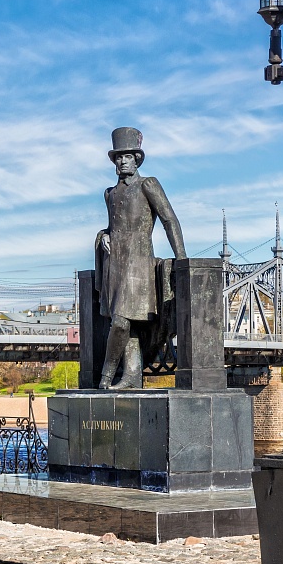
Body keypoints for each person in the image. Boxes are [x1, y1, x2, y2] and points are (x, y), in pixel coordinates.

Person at [94, 127, 186, 389]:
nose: (122, 161)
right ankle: (132, 377)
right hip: (114, 264)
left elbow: (169, 219)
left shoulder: (148, 184)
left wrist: (181, 258)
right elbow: (112, 226)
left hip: (138, 265)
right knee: (127, 324)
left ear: (137, 160)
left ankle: (106, 377)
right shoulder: (110, 193)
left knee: (121, 321)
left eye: (127, 156)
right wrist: (104, 236)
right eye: (118, 157)